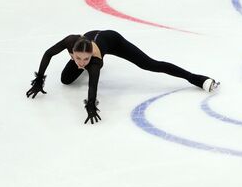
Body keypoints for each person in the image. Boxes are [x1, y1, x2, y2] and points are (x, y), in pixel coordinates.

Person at [26, 30, 219, 124]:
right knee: (65, 80)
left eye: (85, 59)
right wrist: (39, 79)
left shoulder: (94, 64)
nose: (82, 63)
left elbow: (92, 86)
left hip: (112, 40)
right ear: (72, 52)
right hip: (89, 39)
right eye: (78, 59)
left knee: (150, 64)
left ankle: (196, 78)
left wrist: (91, 106)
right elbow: (48, 53)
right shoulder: (70, 42)